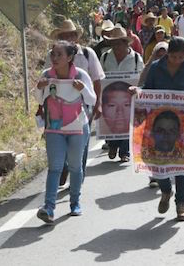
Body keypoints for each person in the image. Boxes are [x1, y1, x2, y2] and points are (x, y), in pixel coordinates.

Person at [134, 37, 184, 222]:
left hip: (182, 126)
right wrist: (137, 91)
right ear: (167, 54)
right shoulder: (156, 67)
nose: (176, 60)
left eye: (180, 57)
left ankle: (181, 204)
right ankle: (165, 190)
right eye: (173, 57)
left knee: (182, 163)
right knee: (157, 161)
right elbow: (147, 89)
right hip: (158, 123)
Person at [35, 41, 96, 224]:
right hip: (54, 128)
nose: (54, 58)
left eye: (59, 55)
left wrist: (82, 89)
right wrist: (40, 87)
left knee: (75, 167)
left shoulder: (80, 75)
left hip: (78, 128)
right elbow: (39, 99)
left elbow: (92, 100)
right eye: (53, 54)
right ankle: (49, 208)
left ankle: (75, 203)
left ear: (70, 57)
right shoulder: (46, 75)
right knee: (55, 167)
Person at [45, 19, 105, 181]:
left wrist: (97, 104)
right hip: (57, 107)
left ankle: (77, 176)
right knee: (59, 137)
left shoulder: (87, 54)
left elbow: (96, 81)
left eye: (70, 35)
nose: (67, 39)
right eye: (63, 36)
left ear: (75, 37)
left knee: (81, 142)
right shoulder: (52, 56)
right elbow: (45, 80)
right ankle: (63, 168)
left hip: (83, 105)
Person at [99, 26, 144, 163]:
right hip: (110, 96)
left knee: (127, 122)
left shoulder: (136, 58)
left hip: (129, 97)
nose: (116, 46)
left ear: (126, 43)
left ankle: (125, 152)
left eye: (119, 42)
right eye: (113, 43)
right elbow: (99, 75)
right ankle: (113, 145)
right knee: (111, 119)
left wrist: (138, 89)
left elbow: (141, 78)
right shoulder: (105, 57)